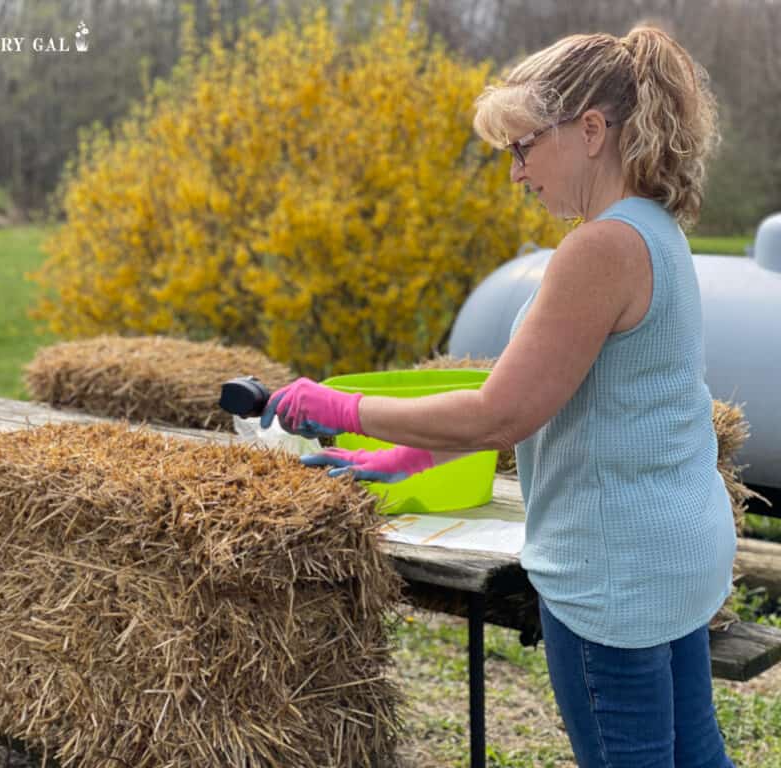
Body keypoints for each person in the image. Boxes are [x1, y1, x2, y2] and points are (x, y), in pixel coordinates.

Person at [261, 23, 736, 768]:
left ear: (588, 131)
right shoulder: (653, 229)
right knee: (696, 756)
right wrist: (403, 460)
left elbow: (503, 412)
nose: (515, 172)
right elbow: (542, 394)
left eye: (522, 147)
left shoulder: (599, 249)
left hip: (612, 576)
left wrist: (335, 408)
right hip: (673, 555)